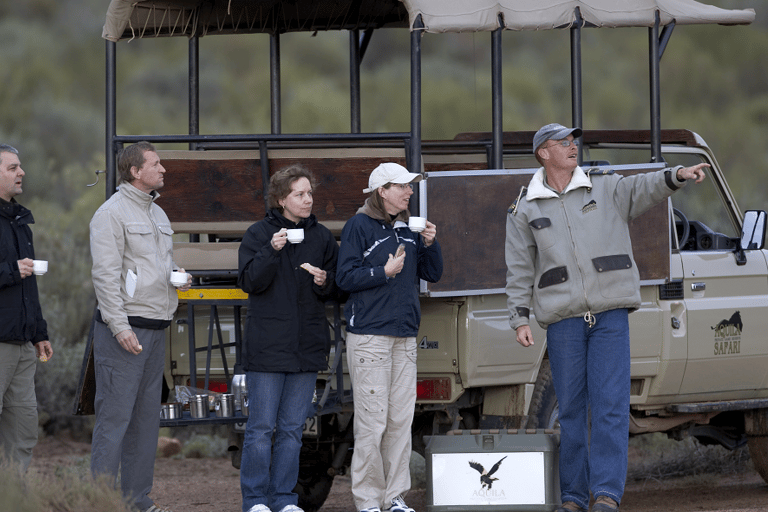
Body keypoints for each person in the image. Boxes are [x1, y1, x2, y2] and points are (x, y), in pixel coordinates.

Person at [505, 123, 708, 512]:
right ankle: (573, 497)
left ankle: (606, 495)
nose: (572, 147)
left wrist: (676, 175)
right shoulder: (524, 207)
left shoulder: (605, 185)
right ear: (543, 154)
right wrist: (520, 319)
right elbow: (518, 269)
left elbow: (643, 187)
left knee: (611, 406)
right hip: (563, 320)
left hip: (610, 314)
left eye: (573, 141)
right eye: (562, 143)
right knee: (571, 411)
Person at [89, 141, 191, 512]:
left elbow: (153, 269)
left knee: (146, 423)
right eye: (156, 163)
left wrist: (178, 278)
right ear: (135, 171)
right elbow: (104, 277)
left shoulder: (158, 213)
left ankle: (137, 502)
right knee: (114, 421)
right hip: (125, 332)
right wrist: (119, 327)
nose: (163, 169)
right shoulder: (110, 214)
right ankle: (100, 503)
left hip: (155, 328)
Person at [336, 162, 443, 512]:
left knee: (400, 421)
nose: (410, 192)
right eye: (403, 186)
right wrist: (383, 272)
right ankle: (368, 501)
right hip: (369, 336)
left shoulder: (408, 228)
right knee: (372, 421)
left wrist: (430, 243)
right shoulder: (358, 226)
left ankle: (394, 498)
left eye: (411, 186)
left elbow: (432, 273)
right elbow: (345, 278)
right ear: (382, 191)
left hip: (404, 336)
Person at [238, 165, 340, 512]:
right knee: (261, 429)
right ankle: (255, 500)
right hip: (267, 347)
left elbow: (338, 288)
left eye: (310, 193)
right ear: (281, 199)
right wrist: (272, 250)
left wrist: (325, 281)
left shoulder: (322, 237)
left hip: (306, 348)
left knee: (293, 431)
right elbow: (250, 282)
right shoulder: (258, 234)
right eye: (299, 194)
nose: (308, 199)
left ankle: (284, 499)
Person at [0, 144, 53, 472]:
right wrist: (9, 270)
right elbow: (15, 273)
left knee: (22, 430)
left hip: (22, 347)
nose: (21, 173)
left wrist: (39, 333)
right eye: (12, 168)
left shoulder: (19, 220)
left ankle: (13, 499)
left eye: (19, 167)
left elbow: (28, 288)